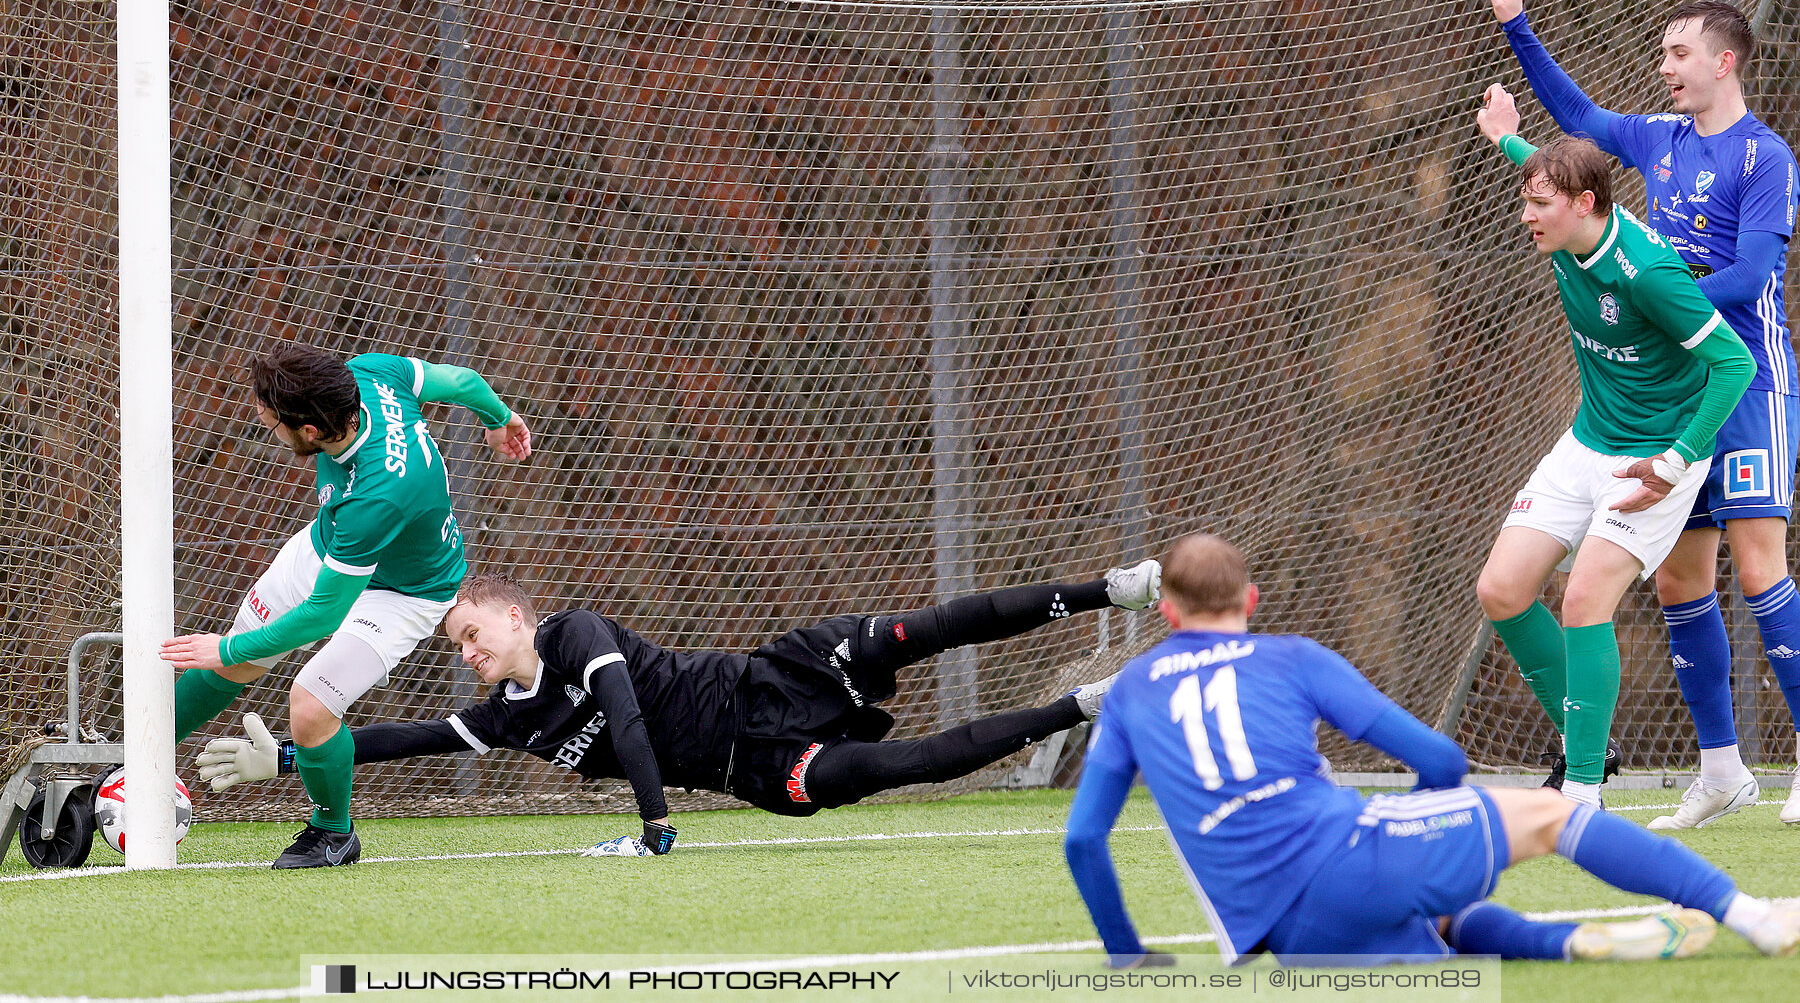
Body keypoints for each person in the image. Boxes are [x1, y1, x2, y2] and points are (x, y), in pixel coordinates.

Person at [1065, 532, 1800, 967]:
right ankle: (1752, 917)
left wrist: (1128, 955)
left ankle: (1567, 945)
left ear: (1165, 611)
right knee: (1554, 820)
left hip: (1280, 936)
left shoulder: (1130, 688)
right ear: (1250, 601)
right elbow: (1442, 763)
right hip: (1348, 860)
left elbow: (1084, 840)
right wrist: (1404, 828)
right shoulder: (1290, 658)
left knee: (1436, 928)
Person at [193, 560, 1165, 854]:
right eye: (461, 650)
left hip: (774, 679)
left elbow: (625, 718)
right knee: (900, 766)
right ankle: (1085, 700)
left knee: (924, 627)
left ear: (516, 614)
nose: (472, 653)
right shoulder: (507, 717)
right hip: (752, 769)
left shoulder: (576, 631)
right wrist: (290, 758)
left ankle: (1106, 593)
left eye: (474, 632)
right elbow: (400, 739)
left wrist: (654, 821)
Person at [1478, 0, 1800, 828]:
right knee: (1679, 587)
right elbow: (1577, 126)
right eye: (1662, 52)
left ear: (1723, 62)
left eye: (1678, 51)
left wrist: (1656, 281)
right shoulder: (1659, 138)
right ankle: (1723, 771)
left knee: (1762, 566)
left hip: (1747, 380)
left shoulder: (1765, 157)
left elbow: (1753, 273)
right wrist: (1518, 25)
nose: (1665, 65)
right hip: (1673, 383)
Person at [1463, 106, 1754, 808]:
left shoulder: (1648, 272)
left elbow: (1733, 364)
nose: (1526, 215)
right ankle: (1585, 731)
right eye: (1526, 199)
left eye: (1537, 205)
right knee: (1501, 591)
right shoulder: (1566, 226)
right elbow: (1548, 172)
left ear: (1583, 206)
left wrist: (1675, 463)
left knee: (1587, 600)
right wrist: (1505, 136)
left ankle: (1583, 792)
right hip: (1586, 443)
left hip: (1654, 459)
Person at [158, 342, 533, 868]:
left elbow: (323, 615)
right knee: (240, 663)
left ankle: (333, 832)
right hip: (330, 547)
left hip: (405, 594)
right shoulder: (367, 373)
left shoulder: (376, 496)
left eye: (273, 424)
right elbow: (465, 381)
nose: (268, 428)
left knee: (309, 705)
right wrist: (500, 418)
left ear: (310, 432)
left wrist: (223, 645)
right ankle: (134, 757)